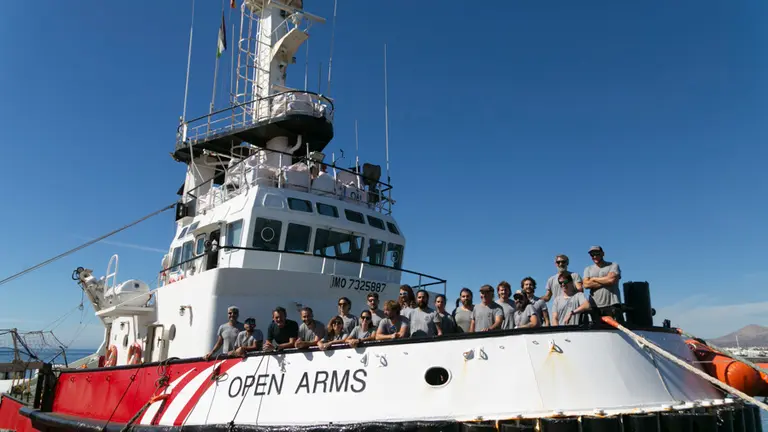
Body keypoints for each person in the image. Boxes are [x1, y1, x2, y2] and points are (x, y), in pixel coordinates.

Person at [582, 246, 622, 316]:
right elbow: (586, 285)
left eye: (597, 254)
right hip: (595, 305)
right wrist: (606, 280)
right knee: (596, 327)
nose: (594, 256)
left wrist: (594, 279)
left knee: (614, 326)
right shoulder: (588, 269)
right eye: (592, 254)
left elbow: (611, 280)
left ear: (603, 254)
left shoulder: (613, 265)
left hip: (612, 304)